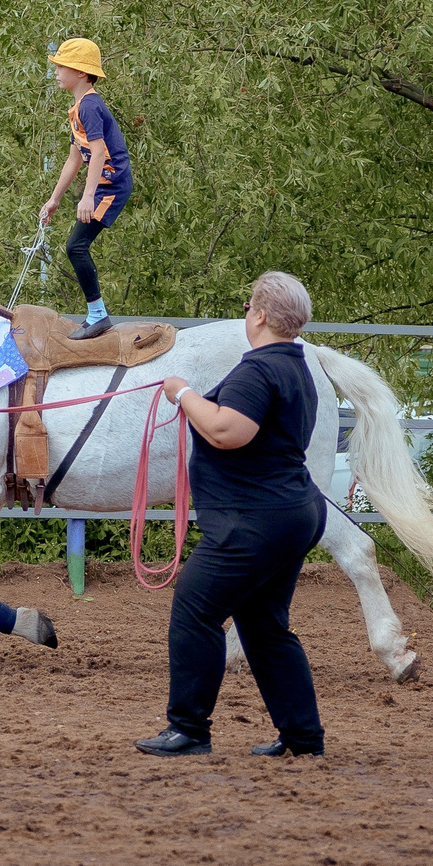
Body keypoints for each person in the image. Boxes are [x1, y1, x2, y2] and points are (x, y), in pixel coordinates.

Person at [135, 271, 326, 759]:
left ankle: (188, 728)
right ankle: (303, 737)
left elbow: (227, 431)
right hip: (292, 512)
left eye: (248, 307)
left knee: (195, 609)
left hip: (254, 520)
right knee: (265, 626)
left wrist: (182, 393)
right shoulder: (295, 367)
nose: (247, 314)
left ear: (259, 315)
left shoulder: (258, 370)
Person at [38, 38, 132, 339]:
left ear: (80, 72)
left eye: (61, 66)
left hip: (112, 186)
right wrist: (54, 199)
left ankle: (98, 315)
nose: (56, 71)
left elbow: (100, 152)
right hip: (102, 184)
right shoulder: (79, 108)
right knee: (75, 246)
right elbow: (74, 158)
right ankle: (96, 314)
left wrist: (88, 195)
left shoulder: (90, 106)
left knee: (76, 246)